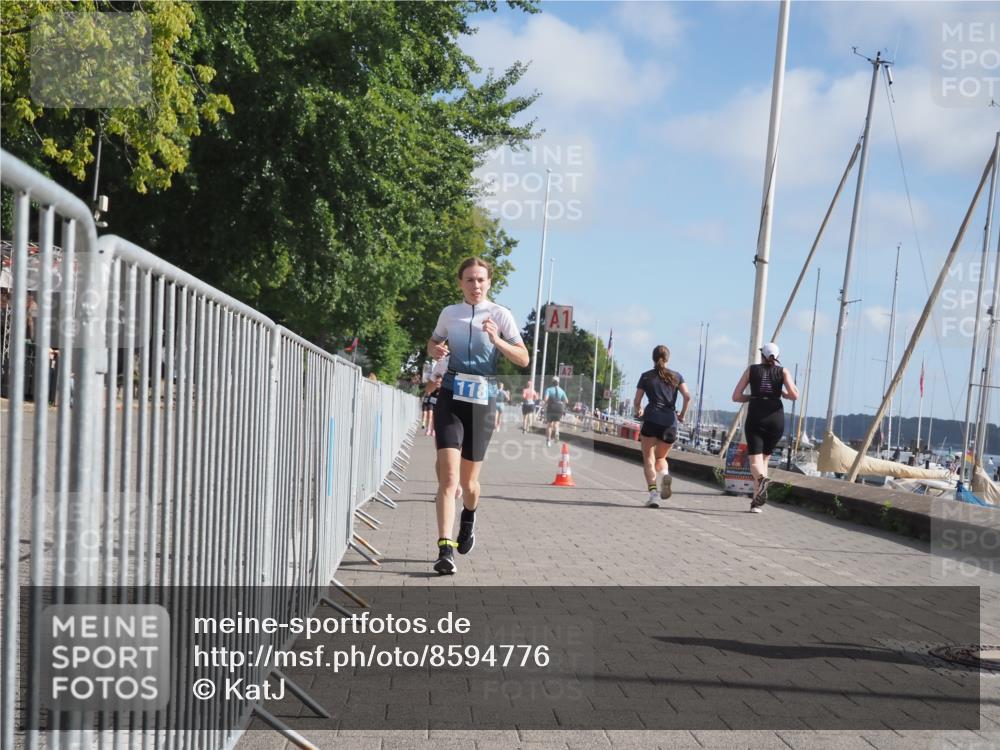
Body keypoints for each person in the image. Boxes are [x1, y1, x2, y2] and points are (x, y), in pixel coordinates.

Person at [427, 257, 529, 575]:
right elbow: (433, 342)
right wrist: (436, 350)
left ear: (489, 283)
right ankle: (445, 549)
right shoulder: (450, 314)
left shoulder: (501, 315)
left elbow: (523, 359)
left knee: (470, 483)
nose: (476, 286)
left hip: (482, 403)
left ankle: (468, 520)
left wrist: (498, 340)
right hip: (450, 397)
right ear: (460, 283)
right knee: (448, 479)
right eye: (470, 280)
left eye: (481, 280)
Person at [731, 342, 799, 513]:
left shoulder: (752, 370)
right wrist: (782, 394)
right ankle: (756, 502)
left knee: (754, 460)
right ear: (777, 358)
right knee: (765, 460)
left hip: (756, 414)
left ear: (762, 355)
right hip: (775, 417)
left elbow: (736, 396)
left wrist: (753, 397)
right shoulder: (783, 371)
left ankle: (761, 480)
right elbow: (794, 395)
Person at [633, 345, 691, 508]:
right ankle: (665, 474)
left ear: (653, 358)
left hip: (651, 419)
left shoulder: (645, 377)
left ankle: (653, 495)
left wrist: (639, 410)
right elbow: (687, 396)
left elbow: (637, 401)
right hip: (670, 422)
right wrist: (682, 415)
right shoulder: (677, 376)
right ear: (668, 358)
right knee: (661, 458)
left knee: (648, 458)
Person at [543, 376, 569, 447]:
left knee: (549, 425)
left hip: (551, 407)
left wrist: (545, 403)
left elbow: (545, 399)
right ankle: (557, 432)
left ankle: (548, 441)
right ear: (558, 382)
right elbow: (566, 401)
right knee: (556, 423)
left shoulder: (548, 389)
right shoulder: (562, 390)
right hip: (559, 407)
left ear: (552, 382)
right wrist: (561, 402)